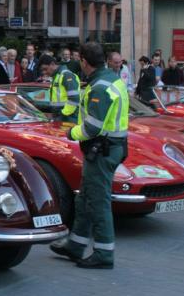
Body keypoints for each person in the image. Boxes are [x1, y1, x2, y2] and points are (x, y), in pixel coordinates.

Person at [50, 42, 128, 270]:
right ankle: (75, 245)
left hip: (102, 149)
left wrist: (70, 132)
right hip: (111, 147)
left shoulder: (99, 87)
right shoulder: (111, 80)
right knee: (84, 198)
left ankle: (104, 253)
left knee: (98, 201)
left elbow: (92, 127)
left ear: (84, 61)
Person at [39, 55, 80, 123]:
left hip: (68, 119)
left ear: (52, 64)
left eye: (45, 69)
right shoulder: (57, 76)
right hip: (63, 118)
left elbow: (74, 99)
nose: (44, 72)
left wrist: (62, 115)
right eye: (42, 70)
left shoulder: (66, 75)